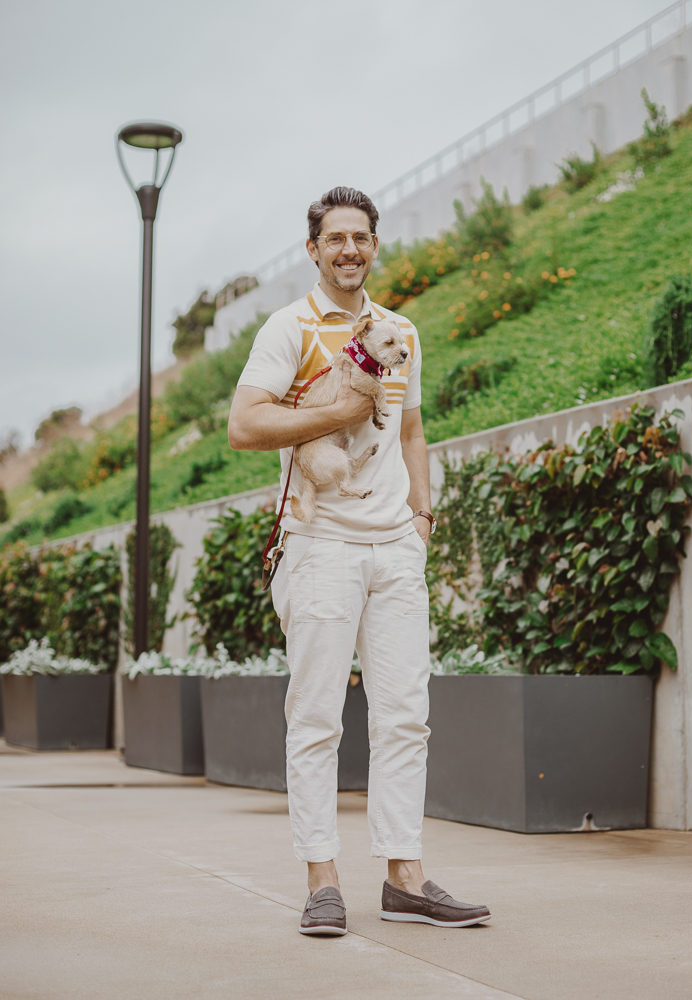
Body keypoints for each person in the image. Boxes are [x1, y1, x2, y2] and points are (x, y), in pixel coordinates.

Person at [228, 186, 490, 936]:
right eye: (335, 238)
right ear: (313, 249)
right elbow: (245, 424)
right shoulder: (289, 328)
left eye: (361, 238)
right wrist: (336, 414)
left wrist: (422, 516)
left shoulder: (400, 329)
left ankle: (405, 878)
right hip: (322, 548)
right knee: (316, 719)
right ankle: (322, 881)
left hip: (394, 548)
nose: (350, 250)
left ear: (375, 246)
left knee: (406, 716)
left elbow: (411, 428)